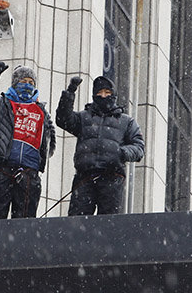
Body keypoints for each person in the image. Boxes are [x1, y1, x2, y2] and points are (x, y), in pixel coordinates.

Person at [56, 75, 144, 215]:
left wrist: (121, 152)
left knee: (108, 223)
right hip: (85, 177)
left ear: (113, 95)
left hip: (112, 177)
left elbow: (139, 148)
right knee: (76, 223)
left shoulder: (126, 121)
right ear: (94, 95)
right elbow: (63, 119)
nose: (103, 96)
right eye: (99, 93)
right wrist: (70, 92)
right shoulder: (83, 117)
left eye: (107, 92)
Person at [0, 62, 56, 219]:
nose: (27, 85)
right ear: (15, 83)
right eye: (23, 81)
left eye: (31, 82)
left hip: (29, 173)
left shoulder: (42, 111)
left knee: (25, 221)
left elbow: (50, 141)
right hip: (2, 168)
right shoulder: (3, 104)